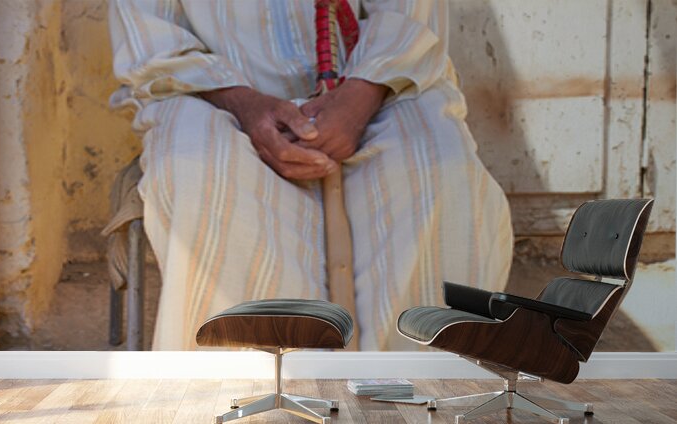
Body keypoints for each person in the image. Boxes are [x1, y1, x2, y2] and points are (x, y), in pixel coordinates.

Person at [108, 0, 513, 351]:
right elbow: (152, 37)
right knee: (207, 187)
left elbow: (409, 15)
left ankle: (418, 401)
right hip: (211, 93)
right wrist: (245, 104)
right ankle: (256, 402)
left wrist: (359, 98)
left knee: (442, 179)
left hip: (377, 80)